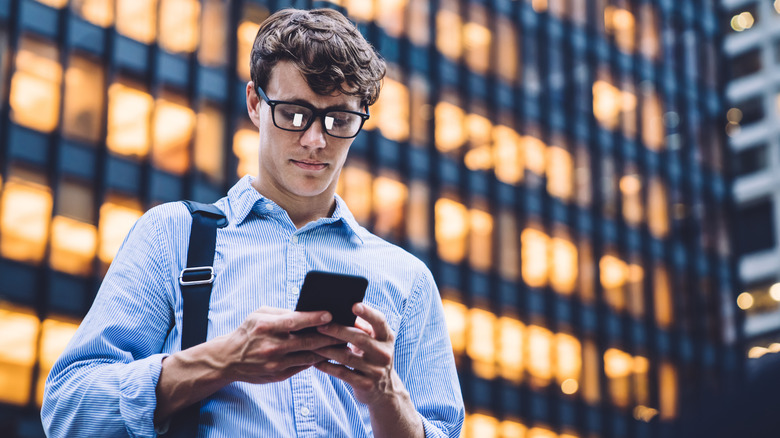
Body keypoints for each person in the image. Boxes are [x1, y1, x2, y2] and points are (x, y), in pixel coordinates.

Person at [41, 8, 464, 438]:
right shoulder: (173, 236)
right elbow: (69, 409)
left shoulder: (408, 280)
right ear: (256, 104)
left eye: (338, 120)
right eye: (295, 114)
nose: (315, 141)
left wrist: (385, 393)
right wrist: (225, 359)